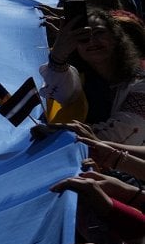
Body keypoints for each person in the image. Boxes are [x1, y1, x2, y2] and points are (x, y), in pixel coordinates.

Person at [41, 8, 145, 144]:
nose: (91, 41)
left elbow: (122, 136)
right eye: (83, 37)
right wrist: (58, 55)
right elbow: (58, 93)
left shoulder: (140, 83)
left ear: (116, 37)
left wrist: (59, 133)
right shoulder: (80, 79)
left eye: (99, 33)